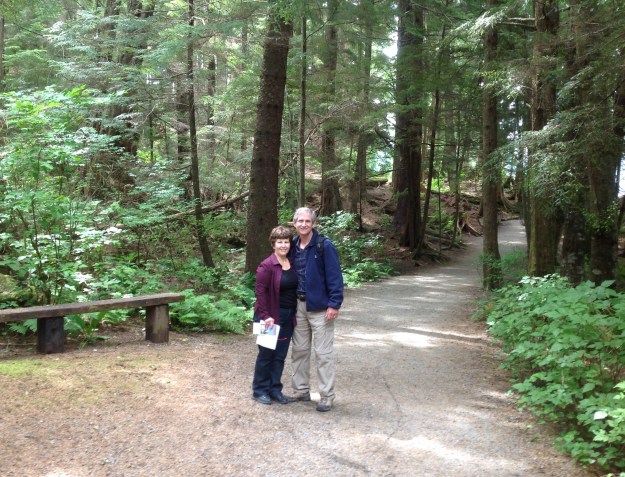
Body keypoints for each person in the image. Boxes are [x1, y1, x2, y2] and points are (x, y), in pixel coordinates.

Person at [289, 207, 344, 412]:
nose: (303, 224)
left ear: (313, 223)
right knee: (299, 350)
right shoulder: (292, 245)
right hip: (298, 306)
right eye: (300, 221)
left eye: (307, 221)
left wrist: (334, 304)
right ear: (294, 223)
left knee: (323, 354)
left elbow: (335, 276)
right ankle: (301, 390)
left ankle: (326, 396)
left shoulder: (324, 246)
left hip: (320, 308)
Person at [251, 225, 298, 405]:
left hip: (287, 316)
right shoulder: (267, 266)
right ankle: (259, 390)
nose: (283, 245)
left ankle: (275, 389)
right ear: (273, 244)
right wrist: (265, 316)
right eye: (279, 242)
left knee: (279, 356)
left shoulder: (291, 263)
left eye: (286, 242)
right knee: (266, 355)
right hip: (269, 318)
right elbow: (260, 293)